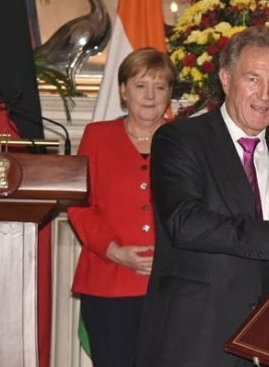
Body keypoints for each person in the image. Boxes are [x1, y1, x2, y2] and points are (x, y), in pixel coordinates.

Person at [135, 26, 269, 367]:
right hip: (194, 341)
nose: (264, 95)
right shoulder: (180, 139)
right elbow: (185, 223)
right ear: (225, 79)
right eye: (253, 79)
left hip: (268, 344)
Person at [67, 47, 176, 367]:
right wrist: (113, 250)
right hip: (108, 281)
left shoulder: (186, 140)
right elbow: (80, 207)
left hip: (170, 286)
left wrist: (170, 255)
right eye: (141, 85)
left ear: (170, 93)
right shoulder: (97, 136)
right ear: (123, 90)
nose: (150, 95)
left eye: (160, 86)